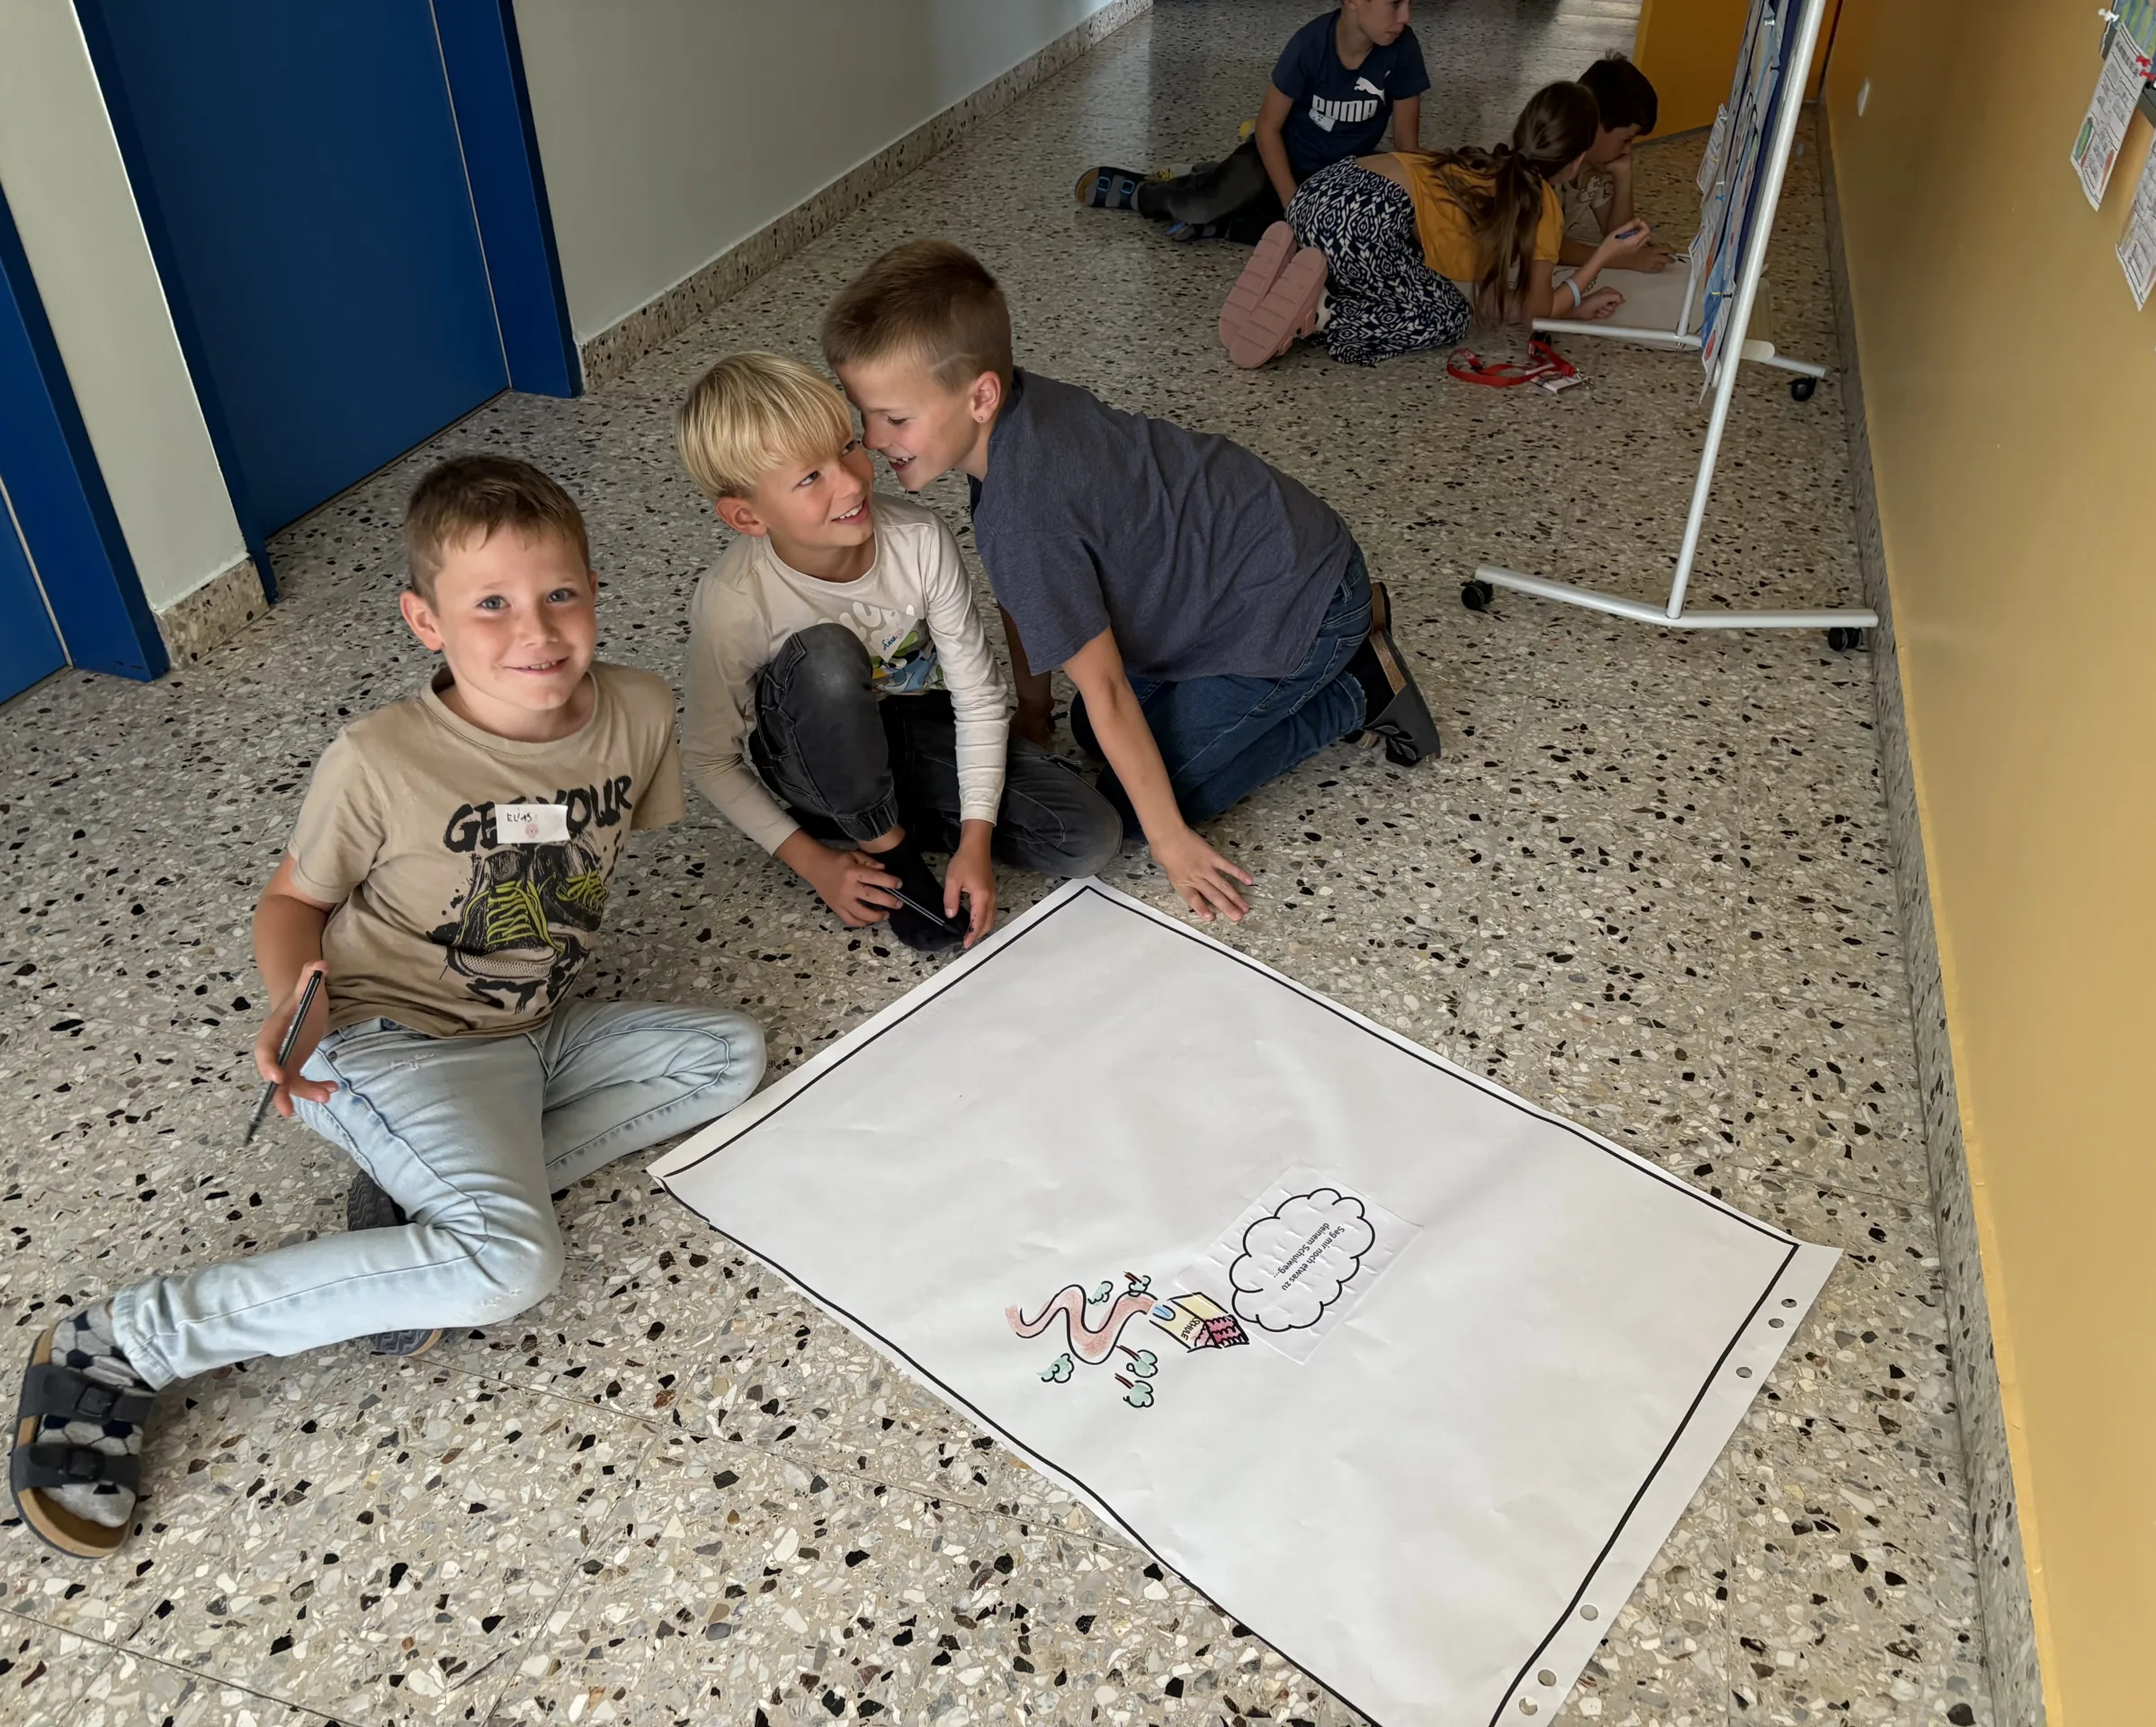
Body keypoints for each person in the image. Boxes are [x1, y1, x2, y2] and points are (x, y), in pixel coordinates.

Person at [7, 456, 767, 1560]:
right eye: (491, 604)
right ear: (425, 621)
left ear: (596, 591)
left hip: (528, 1031)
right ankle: (125, 1341)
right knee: (513, 1268)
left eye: (560, 593)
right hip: (390, 1040)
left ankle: (428, 1212)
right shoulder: (377, 760)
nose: (536, 630)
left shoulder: (638, 708)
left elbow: (578, 857)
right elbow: (292, 902)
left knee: (727, 1058)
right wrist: (297, 1000)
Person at [819, 240, 1440, 926]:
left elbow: (1108, 685)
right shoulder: (1011, 416)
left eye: (895, 418)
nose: (872, 438)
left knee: (1139, 811)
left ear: (980, 396)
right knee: (1090, 727)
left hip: (1298, 605)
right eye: (866, 414)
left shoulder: (1026, 511)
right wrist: (1035, 712)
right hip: (1267, 560)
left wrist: (1173, 843)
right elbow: (1027, 601)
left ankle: (1361, 688)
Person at [675, 351, 1121, 954]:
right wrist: (812, 863)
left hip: (917, 733)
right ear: (746, 516)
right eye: (810, 478)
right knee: (827, 659)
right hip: (810, 754)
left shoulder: (919, 539)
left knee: (1090, 837)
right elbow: (709, 759)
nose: (852, 481)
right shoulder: (733, 601)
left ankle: (870, 819)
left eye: (847, 447)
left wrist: (976, 838)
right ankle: (890, 851)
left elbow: (978, 698)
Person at [1219, 81, 1652, 369]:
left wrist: (1573, 309)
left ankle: (1294, 272)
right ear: (1577, 161)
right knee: (1445, 316)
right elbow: (1537, 311)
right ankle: (1321, 313)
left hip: (1316, 194)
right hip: (1360, 221)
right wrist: (1601, 259)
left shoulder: (1486, 164)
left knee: (1414, 277)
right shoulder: (1542, 203)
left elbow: (1500, 302)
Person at [1075, 0, 1427, 243]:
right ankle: (1144, 193)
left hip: (1340, 175)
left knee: (1368, 233)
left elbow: (1406, 149)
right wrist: (1295, 205)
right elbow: (1268, 129)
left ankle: (1221, 217)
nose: (1406, 16)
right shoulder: (1309, 45)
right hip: (1275, 159)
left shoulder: (1404, 49)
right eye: (1395, 3)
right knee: (1201, 207)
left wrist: (1427, 210)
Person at [1558, 54, 1670, 273]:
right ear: (1594, 125)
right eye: (1626, 140)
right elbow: (1543, 247)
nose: (1627, 150)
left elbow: (1618, 236)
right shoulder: (1549, 156)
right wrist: (1624, 261)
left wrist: (1624, 175)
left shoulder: (1595, 161)